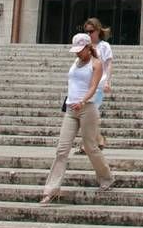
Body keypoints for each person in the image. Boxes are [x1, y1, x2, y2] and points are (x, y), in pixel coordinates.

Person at [40, 33, 113, 204]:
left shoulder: (96, 64)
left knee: (90, 147)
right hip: (71, 109)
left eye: (81, 50)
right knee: (62, 149)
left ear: (88, 47)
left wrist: (83, 101)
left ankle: (106, 177)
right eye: (76, 50)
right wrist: (73, 101)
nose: (78, 53)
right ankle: (51, 189)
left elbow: (93, 87)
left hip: (87, 108)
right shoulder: (75, 62)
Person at [84, 17, 114, 147]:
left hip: (99, 84)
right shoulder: (85, 47)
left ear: (97, 30)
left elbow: (109, 64)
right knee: (88, 115)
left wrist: (108, 82)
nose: (89, 34)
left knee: (91, 113)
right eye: (87, 31)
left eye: (91, 31)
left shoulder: (104, 46)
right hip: (86, 85)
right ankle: (99, 139)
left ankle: (87, 144)